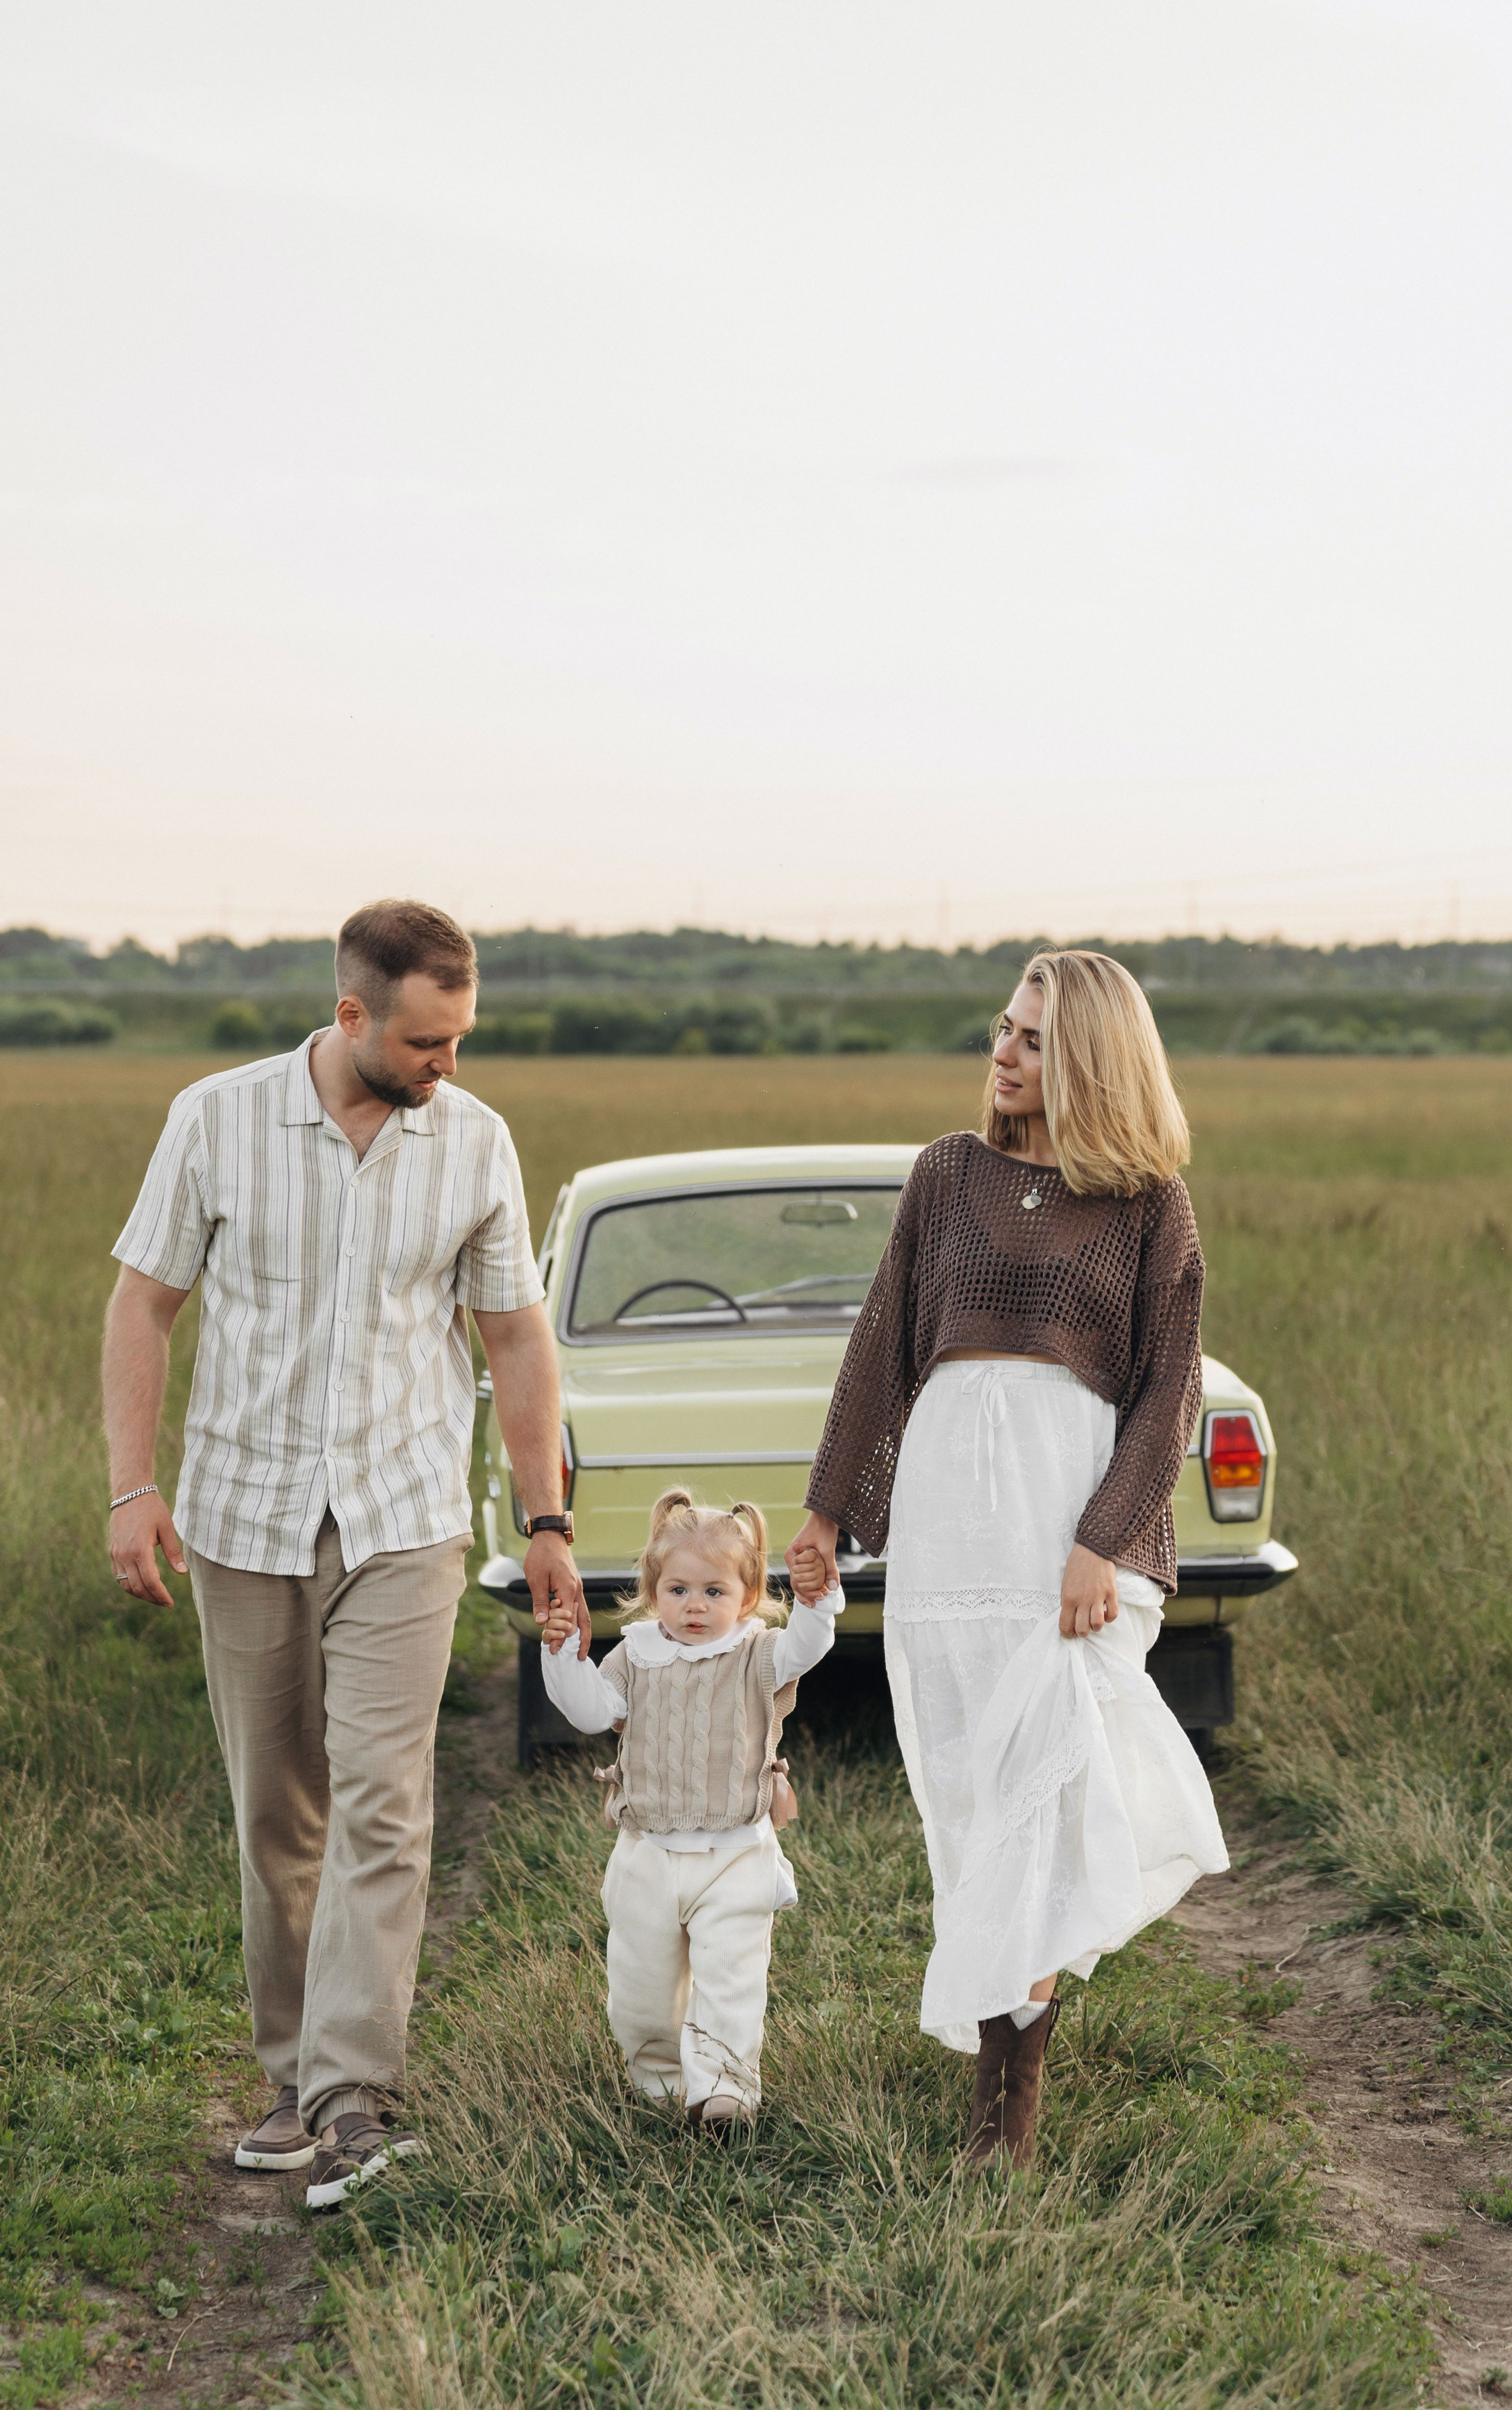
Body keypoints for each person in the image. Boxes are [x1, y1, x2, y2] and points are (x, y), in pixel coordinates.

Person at [102, 899, 587, 2209]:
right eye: (427, 1041)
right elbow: (144, 1301)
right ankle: (289, 2075)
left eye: (462, 1039)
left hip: (407, 1514)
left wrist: (545, 1520)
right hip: (245, 1514)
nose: (449, 1065)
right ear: (353, 1013)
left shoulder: (474, 1141)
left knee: (386, 1798)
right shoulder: (215, 1119)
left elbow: (518, 1342)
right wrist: (131, 1489)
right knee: (279, 1810)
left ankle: (352, 2093)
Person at [789, 948, 1228, 2170]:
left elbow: (1169, 1388)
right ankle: (1000, 2063)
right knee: (979, 1799)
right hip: (946, 1530)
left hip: (1062, 1527)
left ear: (1088, 1058)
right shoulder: (944, 1175)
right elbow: (880, 1344)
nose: (1003, 1050)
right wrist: (827, 1512)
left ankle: (1006, 2120)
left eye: (1032, 1038)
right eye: (1002, 1027)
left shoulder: (1150, 1202)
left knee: (1047, 1784)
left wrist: (1103, 1537)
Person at [541, 1489, 842, 2126]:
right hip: (647, 1854)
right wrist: (564, 1657)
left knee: (730, 1977)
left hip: (736, 1853)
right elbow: (594, 1711)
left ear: (747, 1594)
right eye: (678, 1590)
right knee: (641, 1988)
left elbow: (808, 1647)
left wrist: (816, 1602)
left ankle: (726, 2087)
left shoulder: (758, 1653)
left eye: (714, 1591)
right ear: (654, 1590)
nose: (695, 1606)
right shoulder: (635, 1655)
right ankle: (661, 2085)